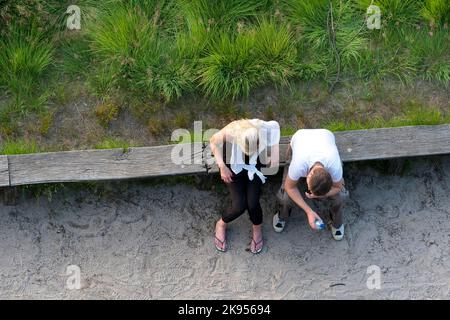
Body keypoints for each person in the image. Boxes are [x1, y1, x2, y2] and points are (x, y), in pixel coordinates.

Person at [210, 119, 280, 253]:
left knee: (253, 203)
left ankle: (257, 228)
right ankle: (221, 224)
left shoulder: (263, 127)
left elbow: (275, 127)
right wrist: (222, 166)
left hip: (254, 165)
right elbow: (213, 142)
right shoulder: (231, 132)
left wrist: (275, 154)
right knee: (239, 206)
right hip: (233, 165)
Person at [273, 129, 347, 240]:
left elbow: (338, 187)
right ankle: (282, 215)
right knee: (285, 197)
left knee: (342, 196)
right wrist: (309, 211)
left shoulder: (334, 167)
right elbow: (290, 187)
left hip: (326, 136)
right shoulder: (299, 164)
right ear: (307, 175)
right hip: (301, 136)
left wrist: (321, 195)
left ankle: (336, 221)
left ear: (329, 174)